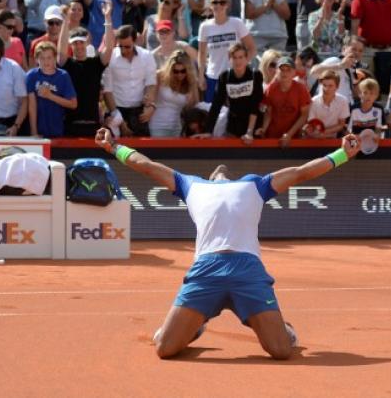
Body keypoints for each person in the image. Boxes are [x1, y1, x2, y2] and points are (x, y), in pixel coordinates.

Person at [94, 128, 362, 360]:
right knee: (164, 348)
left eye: (225, 171)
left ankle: (280, 327)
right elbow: (147, 166)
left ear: (231, 177)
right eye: (217, 171)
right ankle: (195, 326)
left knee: (281, 350)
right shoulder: (190, 185)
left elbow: (300, 173)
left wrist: (342, 155)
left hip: (247, 271)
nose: (221, 171)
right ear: (210, 177)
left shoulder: (254, 185)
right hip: (206, 270)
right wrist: (113, 147)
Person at [58, 2, 115, 137]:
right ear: (71, 46)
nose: (78, 46)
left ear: (87, 43)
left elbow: (109, 47)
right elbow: (60, 50)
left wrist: (107, 18)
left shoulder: (96, 63)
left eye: (81, 42)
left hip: (92, 124)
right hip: (71, 125)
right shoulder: (67, 64)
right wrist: (66, 21)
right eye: (75, 43)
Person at [198, 0, 256, 102]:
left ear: (227, 5)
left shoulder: (237, 23)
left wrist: (242, 65)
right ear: (210, 5)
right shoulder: (204, 26)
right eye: (215, 2)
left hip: (235, 76)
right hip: (213, 76)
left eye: (222, 2)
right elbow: (201, 53)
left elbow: (252, 48)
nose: (218, 5)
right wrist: (201, 76)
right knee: (212, 112)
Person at [102, 25, 158, 137]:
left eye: (127, 46)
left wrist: (150, 105)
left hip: (139, 112)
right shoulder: (111, 57)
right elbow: (107, 90)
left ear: (135, 41)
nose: (123, 50)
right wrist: (118, 119)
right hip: (116, 110)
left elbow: (151, 83)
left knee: (142, 151)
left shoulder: (147, 56)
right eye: (120, 46)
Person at [203, 42, 264, 142]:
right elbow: (216, 105)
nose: (237, 61)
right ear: (229, 59)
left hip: (253, 126)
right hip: (233, 126)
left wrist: (249, 132)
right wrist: (208, 131)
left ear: (246, 58)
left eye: (240, 57)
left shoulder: (255, 75)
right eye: (234, 57)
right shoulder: (225, 76)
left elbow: (255, 105)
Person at [256, 56, 312, 147]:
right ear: (276, 72)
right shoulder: (270, 89)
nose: (284, 73)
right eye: (282, 69)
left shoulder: (301, 89)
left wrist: (289, 134)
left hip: (294, 138)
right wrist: (263, 129)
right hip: (272, 137)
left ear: (294, 72)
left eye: (288, 70)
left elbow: (304, 115)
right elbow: (268, 113)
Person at [26, 41, 77, 138]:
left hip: (59, 128)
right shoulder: (31, 75)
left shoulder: (63, 75)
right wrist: (33, 131)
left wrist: (50, 96)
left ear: (55, 58)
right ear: (36, 59)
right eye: (42, 58)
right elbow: (32, 105)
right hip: (39, 128)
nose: (46, 61)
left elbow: (73, 104)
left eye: (49, 58)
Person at [149, 51, 200, 137]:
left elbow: (195, 105)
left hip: (177, 127)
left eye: (183, 71)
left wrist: (190, 98)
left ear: (188, 70)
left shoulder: (191, 82)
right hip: (158, 125)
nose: (179, 74)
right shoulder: (160, 76)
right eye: (175, 71)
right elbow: (150, 99)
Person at [304, 71, 350, 139]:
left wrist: (323, 132)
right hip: (314, 140)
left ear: (337, 87)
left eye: (330, 86)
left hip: (333, 140)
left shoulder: (343, 101)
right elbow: (311, 125)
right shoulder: (313, 101)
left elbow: (341, 124)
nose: (326, 89)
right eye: (324, 85)